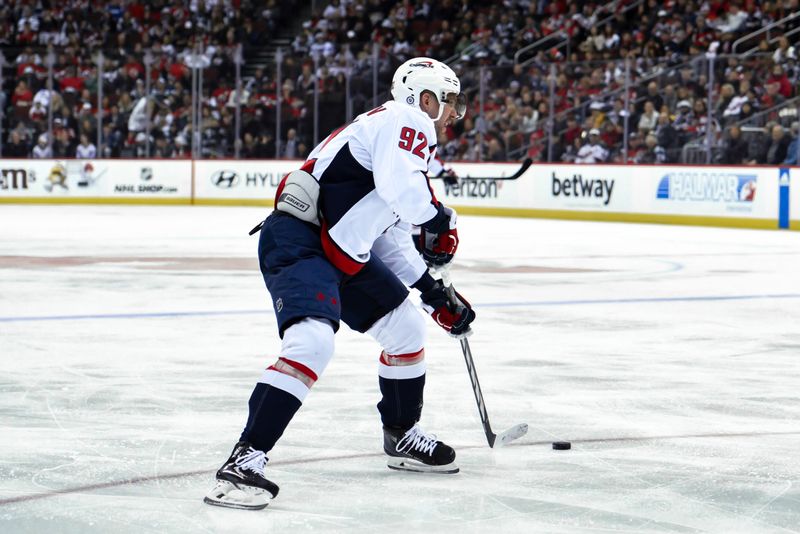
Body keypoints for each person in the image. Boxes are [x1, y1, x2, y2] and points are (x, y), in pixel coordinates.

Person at [204, 57, 476, 510]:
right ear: (426, 99)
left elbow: (389, 239)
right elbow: (408, 196)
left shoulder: (398, 144)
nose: (455, 114)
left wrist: (435, 295)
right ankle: (244, 460)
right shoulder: (405, 120)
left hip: (341, 250)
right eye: (451, 103)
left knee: (406, 329)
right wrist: (439, 218)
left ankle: (402, 436)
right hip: (302, 240)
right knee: (311, 342)